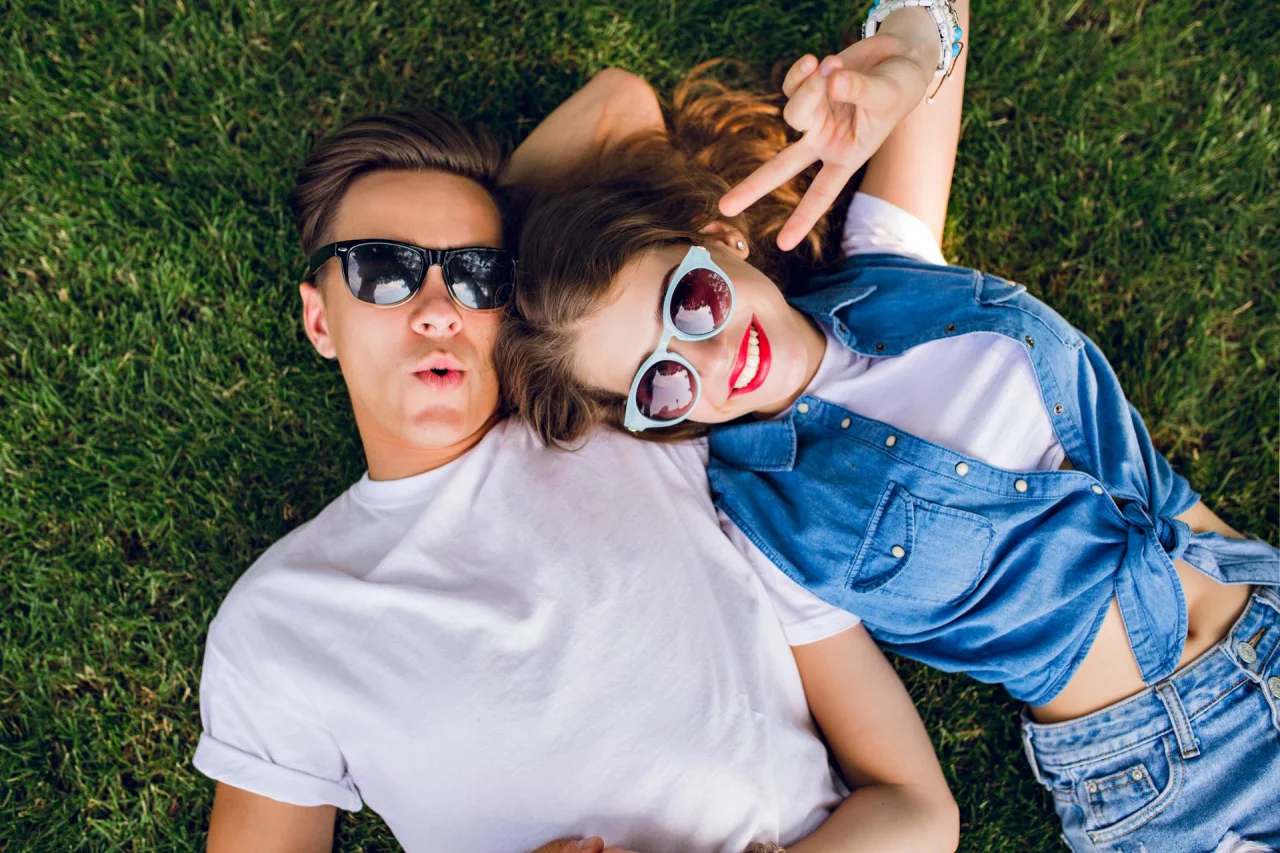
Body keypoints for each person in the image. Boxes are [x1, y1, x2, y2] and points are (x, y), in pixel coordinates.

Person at [498, 1, 1280, 850]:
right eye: (662, 383)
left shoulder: (890, 258)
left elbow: (618, 101)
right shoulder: (761, 529)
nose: (713, 359)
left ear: (717, 235)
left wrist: (905, 57)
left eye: (690, 302)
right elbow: (901, 791)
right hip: (1169, 775)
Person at [192, 63, 961, 852]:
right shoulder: (281, 620)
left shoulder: (649, 419)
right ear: (319, 321)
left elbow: (916, 809)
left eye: (475, 276)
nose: (434, 312)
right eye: (381, 272)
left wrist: (527, 258)